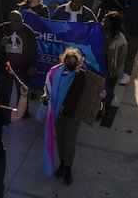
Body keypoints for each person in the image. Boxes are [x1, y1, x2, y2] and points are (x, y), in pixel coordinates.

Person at [41, 47, 105, 185]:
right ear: (63, 61)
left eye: (72, 64)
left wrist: (100, 96)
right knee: (60, 140)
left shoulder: (83, 76)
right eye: (67, 63)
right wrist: (46, 96)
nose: (70, 67)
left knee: (68, 142)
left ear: (78, 63)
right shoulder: (57, 73)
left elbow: (94, 92)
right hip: (59, 112)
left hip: (74, 114)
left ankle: (68, 167)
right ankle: (63, 163)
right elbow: (48, 86)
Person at [0, 10, 37, 106]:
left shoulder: (28, 31)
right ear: (10, 21)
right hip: (5, 66)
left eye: (21, 21)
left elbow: (34, 51)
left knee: (22, 92)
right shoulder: (2, 28)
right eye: (16, 21)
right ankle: (2, 109)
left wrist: (32, 66)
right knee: (4, 91)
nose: (19, 24)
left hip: (22, 68)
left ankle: (23, 111)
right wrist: (1, 44)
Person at [101, 11, 127, 116]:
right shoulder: (99, 31)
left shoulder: (121, 41)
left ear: (112, 24)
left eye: (106, 20)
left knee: (108, 91)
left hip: (110, 68)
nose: (103, 21)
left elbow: (121, 60)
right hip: (99, 64)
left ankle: (107, 109)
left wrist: (113, 73)